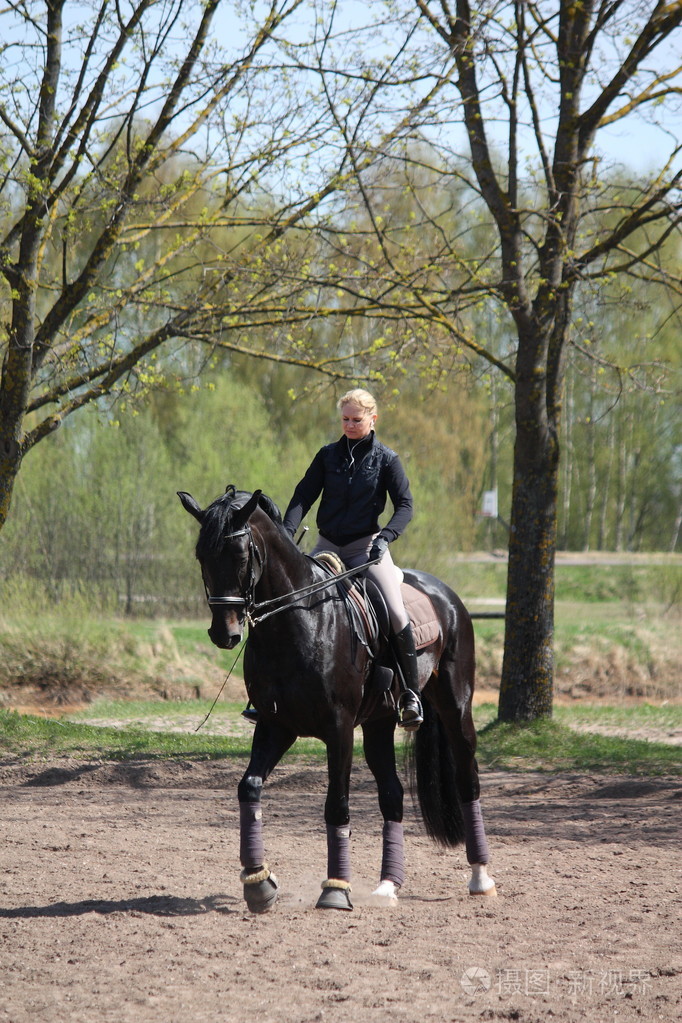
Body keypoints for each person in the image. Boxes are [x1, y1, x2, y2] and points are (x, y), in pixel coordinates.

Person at [282, 388, 423, 730]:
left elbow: (405, 505)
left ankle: (409, 695)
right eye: (344, 419)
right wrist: (286, 530)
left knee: (395, 611)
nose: (349, 425)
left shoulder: (387, 459)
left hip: (367, 548)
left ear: (373, 419)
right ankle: (273, 694)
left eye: (356, 420)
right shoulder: (327, 455)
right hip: (327, 546)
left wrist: (386, 538)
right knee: (289, 600)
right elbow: (304, 495)